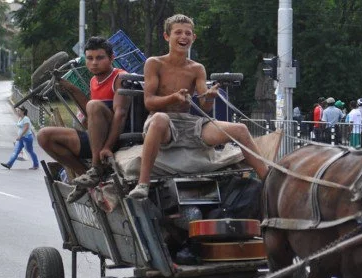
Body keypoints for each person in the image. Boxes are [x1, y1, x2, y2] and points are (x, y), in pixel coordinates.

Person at [127, 14, 268, 199]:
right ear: (167, 36)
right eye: (178, 32)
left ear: (193, 38)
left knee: (240, 129)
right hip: (161, 123)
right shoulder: (154, 63)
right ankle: (143, 184)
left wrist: (209, 97)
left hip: (189, 123)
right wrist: (173, 98)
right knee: (160, 118)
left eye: (188, 33)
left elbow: (205, 107)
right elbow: (149, 102)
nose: (183, 37)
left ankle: (269, 181)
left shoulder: (197, 68)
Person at [37, 37, 129, 202]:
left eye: (100, 58)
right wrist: (71, 89)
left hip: (115, 139)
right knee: (44, 135)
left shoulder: (120, 77)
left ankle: (96, 169)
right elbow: (91, 114)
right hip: (96, 138)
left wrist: (107, 146)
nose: (94, 63)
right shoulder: (94, 80)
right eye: (90, 58)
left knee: (94, 105)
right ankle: (87, 178)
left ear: (111, 58)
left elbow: (120, 114)